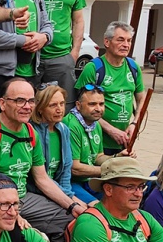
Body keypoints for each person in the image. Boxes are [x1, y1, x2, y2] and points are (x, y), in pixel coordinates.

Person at [0, 79, 77, 242]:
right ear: (2, 103)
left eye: (31, 101)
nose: (27, 106)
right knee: (24, 239)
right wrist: (14, 212)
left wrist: (72, 205)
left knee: (69, 218)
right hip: (0, 202)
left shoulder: (31, 132)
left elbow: (42, 179)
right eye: (20, 101)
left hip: (25, 198)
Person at [29, 0, 87, 104]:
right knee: (29, 107)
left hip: (62, 56)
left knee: (62, 107)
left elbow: (78, 20)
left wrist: (74, 53)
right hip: (32, 57)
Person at [74, 22, 145, 155]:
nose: (126, 45)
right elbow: (79, 107)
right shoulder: (94, 68)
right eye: (120, 40)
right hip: (97, 141)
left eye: (129, 40)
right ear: (107, 42)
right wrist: (111, 130)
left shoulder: (133, 67)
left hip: (124, 140)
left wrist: (134, 124)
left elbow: (142, 99)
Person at [30, 85, 90, 219]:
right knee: (72, 216)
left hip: (60, 190)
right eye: (52, 105)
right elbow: (41, 178)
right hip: (38, 190)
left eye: (62, 104)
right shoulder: (33, 132)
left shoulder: (63, 130)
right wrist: (70, 200)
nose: (59, 109)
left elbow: (65, 172)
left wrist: (69, 196)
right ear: (40, 109)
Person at [65, 85, 105, 204]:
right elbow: (75, 169)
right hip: (71, 182)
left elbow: (98, 157)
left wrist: (117, 158)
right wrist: (111, 169)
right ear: (78, 105)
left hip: (89, 180)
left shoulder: (95, 123)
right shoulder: (71, 125)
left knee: (118, 198)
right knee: (98, 209)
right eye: (92, 104)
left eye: (101, 104)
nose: (98, 109)